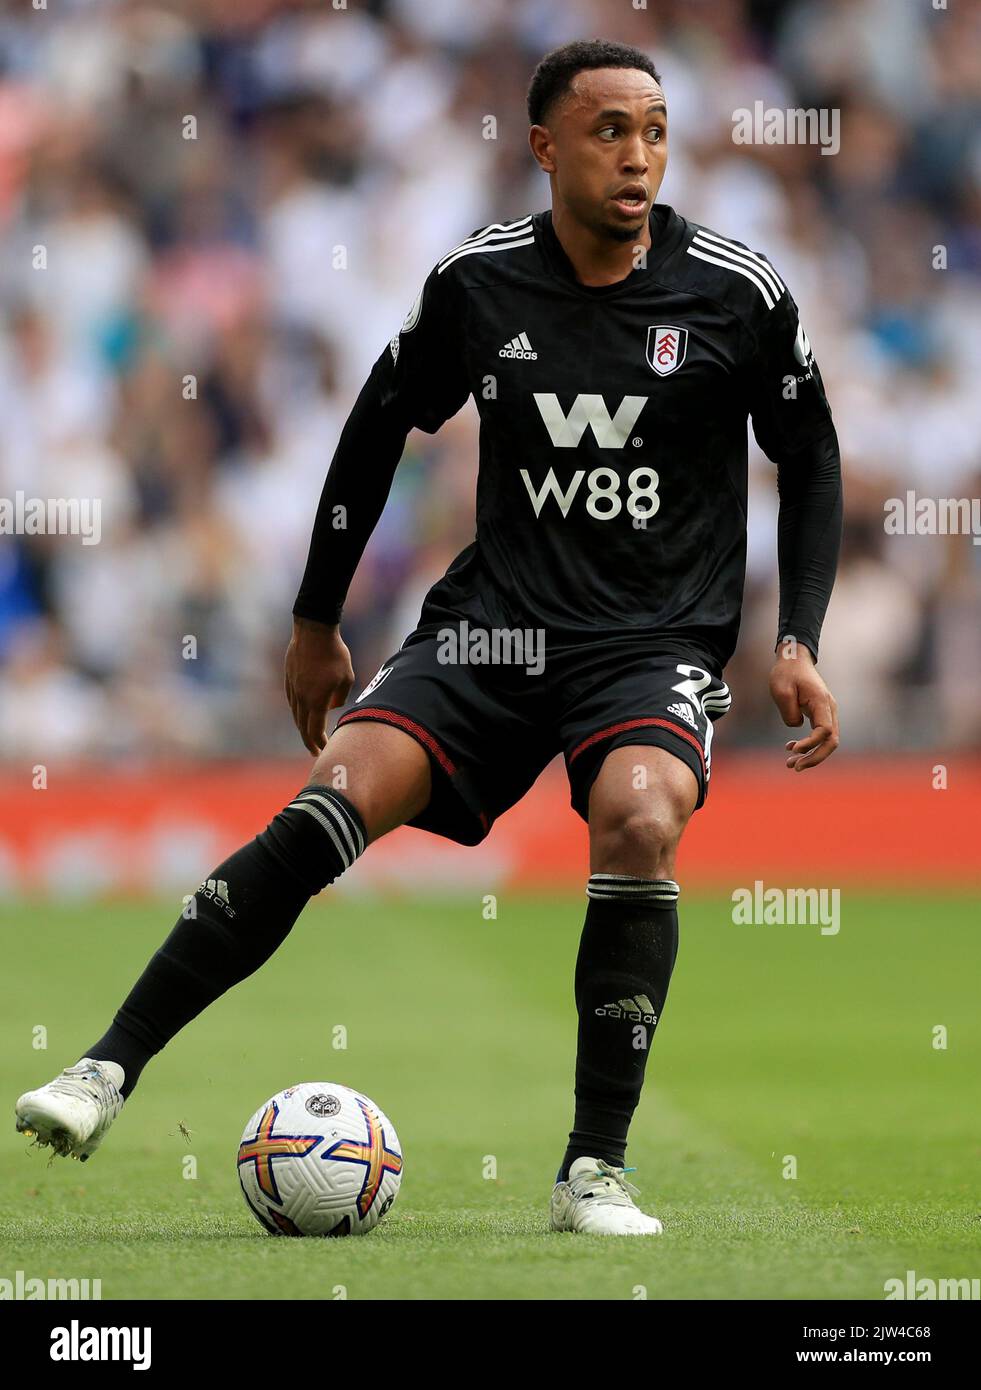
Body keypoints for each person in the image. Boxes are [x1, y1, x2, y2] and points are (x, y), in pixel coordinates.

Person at [16, 38, 842, 1236]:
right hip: (496, 626)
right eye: (609, 130)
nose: (639, 155)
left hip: (650, 639)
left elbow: (809, 451)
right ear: (545, 147)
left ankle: (591, 1169)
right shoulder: (478, 283)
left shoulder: (736, 290)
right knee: (332, 796)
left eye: (655, 130)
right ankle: (104, 1068)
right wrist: (314, 623)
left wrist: (800, 636)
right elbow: (373, 430)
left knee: (644, 811)